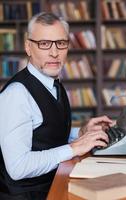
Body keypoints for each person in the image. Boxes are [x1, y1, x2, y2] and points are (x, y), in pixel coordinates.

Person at [0, 12, 113, 200]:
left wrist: (81, 133)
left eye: (61, 43)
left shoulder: (52, 83)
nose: (54, 52)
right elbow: (18, 168)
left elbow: (42, 133)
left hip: (53, 185)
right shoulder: (17, 95)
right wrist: (74, 148)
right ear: (28, 47)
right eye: (44, 44)